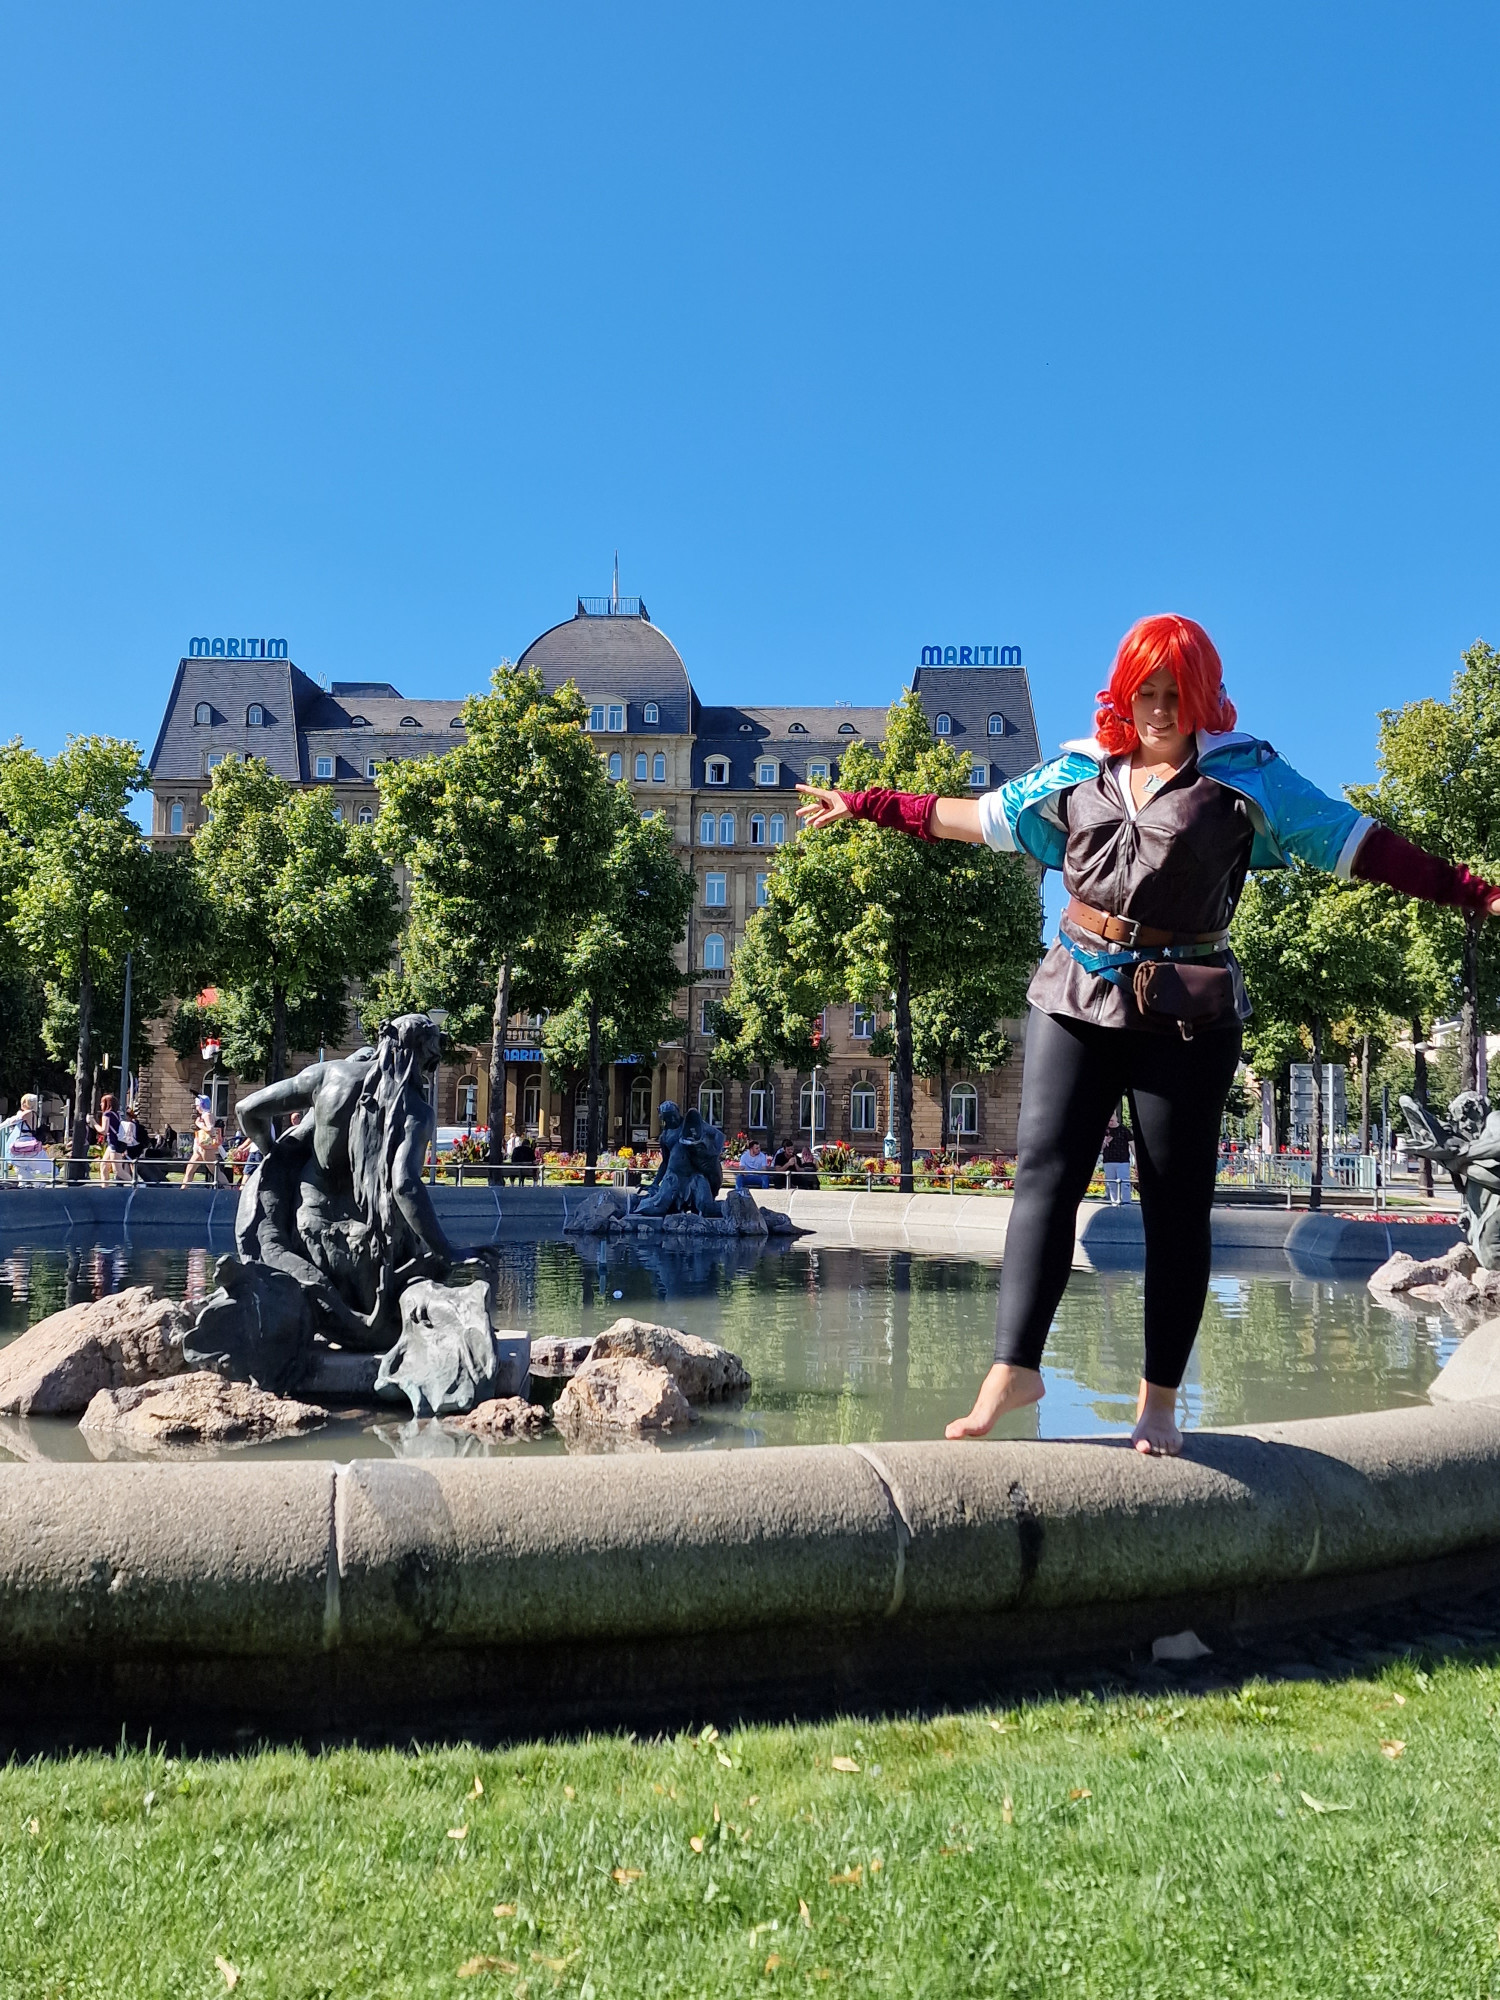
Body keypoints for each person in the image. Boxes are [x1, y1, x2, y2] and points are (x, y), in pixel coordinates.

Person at [798, 612, 1500, 1455]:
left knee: (1175, 1204)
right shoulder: (1077, 772)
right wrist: (865, 804)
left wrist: (1474, 891)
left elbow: (1362, 844)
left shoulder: (1246, 777)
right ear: (1124, 695)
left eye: (1177, 693)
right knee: (1044, 1174)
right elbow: (970, 816)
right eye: (1147, 692)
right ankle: (1013, 1370)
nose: (1161, 710)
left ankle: (1158, 1400)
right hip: (1073, 988)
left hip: (1185, 1012)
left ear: (1202, 697)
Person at [0, 1094, 49, 1186]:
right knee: (21, 1167)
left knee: (19, 1167)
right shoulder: (34, 1114)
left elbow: (12, 1120)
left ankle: (37, 1184)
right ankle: (23, 1184)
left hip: (23, 1142)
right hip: (28, 1140)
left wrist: (1, 1126)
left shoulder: (28, 1113)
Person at [181, 1096, 228, 1188]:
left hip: (206, 1146)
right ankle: (182, 1190)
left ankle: (229, 1189)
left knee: (214, 1170)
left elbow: (210, 1129)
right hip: (200, 1146)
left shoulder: (207, 1115)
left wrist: (199, 1124)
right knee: (190, 1168)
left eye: (197, 1105)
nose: (196, 1107)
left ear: (201, 1105)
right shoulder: (204, 1115)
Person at [1100, 1109, 1133, 1205]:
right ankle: (1114, 1202)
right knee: (1111, 1184)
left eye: (1112, 1120)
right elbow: (1101, 1148)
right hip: (1108, 1161)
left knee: (1124, 1183)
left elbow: (1132, 1145)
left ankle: (1126, 1202)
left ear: (1116, 1118)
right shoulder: (1105, 1131)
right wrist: (1105, 1141)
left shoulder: (1124, 1130)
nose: (1110, 1123)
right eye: (1108, 1121)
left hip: (1122, 1161)